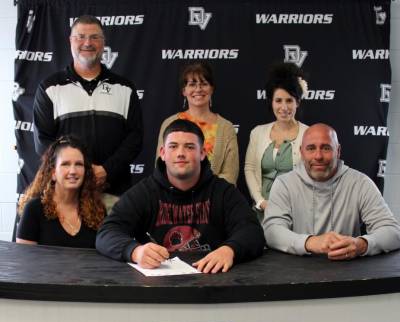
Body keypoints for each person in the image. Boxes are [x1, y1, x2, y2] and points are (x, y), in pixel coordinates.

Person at [97, 119, 264, 273]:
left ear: (202, 153)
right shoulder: (144, 192)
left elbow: (252, 231)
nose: (181, 153)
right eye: (173, 146)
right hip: (158, 287)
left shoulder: (223, 192)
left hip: (212, 284)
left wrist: (230, 250)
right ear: (162, 152)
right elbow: (107, 233)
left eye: (190, 147)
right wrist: (134, 251)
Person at [33, 15, 143, 211]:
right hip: (67, 195)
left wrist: (107, 170)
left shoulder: (125, 88)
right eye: (81, 36)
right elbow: (43, 141)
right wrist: (77, 170)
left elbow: (135, 138)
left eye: (94, 37)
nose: (87, 43)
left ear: (103, 42)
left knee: (112, 241)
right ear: (70, 41)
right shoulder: (50, 87)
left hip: (114, 193)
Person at [262, 123, 400, 259]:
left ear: (338, 151)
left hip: (347, 271)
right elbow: (271, 231)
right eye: (311, 148)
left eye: (326, 148)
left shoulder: (360, 183)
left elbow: (393, 233)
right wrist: (310, 242)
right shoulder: (284, 184)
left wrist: (361, 245)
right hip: (294, 274)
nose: (318, 156)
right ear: (301, 152)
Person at [156, 61, 239, 185]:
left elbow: (230, 176)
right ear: (184, 91)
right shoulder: (169, 123)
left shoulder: (226, 128)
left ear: (212, 89)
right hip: (174, 200)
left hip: (214, 201)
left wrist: (204, 194)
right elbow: (160, 169)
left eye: (204, 84)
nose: (198, 89)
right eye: (192, 84)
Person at [245, 62, 308, 220]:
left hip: (298, 213)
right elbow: (250, 168)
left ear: (298, 102)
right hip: (262, 212)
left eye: (289, 100)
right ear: (271, 102)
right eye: (278, 100)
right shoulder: (257, 132)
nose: (284, 107)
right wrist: (260, 202)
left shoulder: (308, 134)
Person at [17, 136, 105, 248]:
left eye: (78, 164)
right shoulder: (34, 209)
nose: (73, 171)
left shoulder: (97, 210)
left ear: (85, 172)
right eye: (65, 164)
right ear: (53, 172)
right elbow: (24, 260)